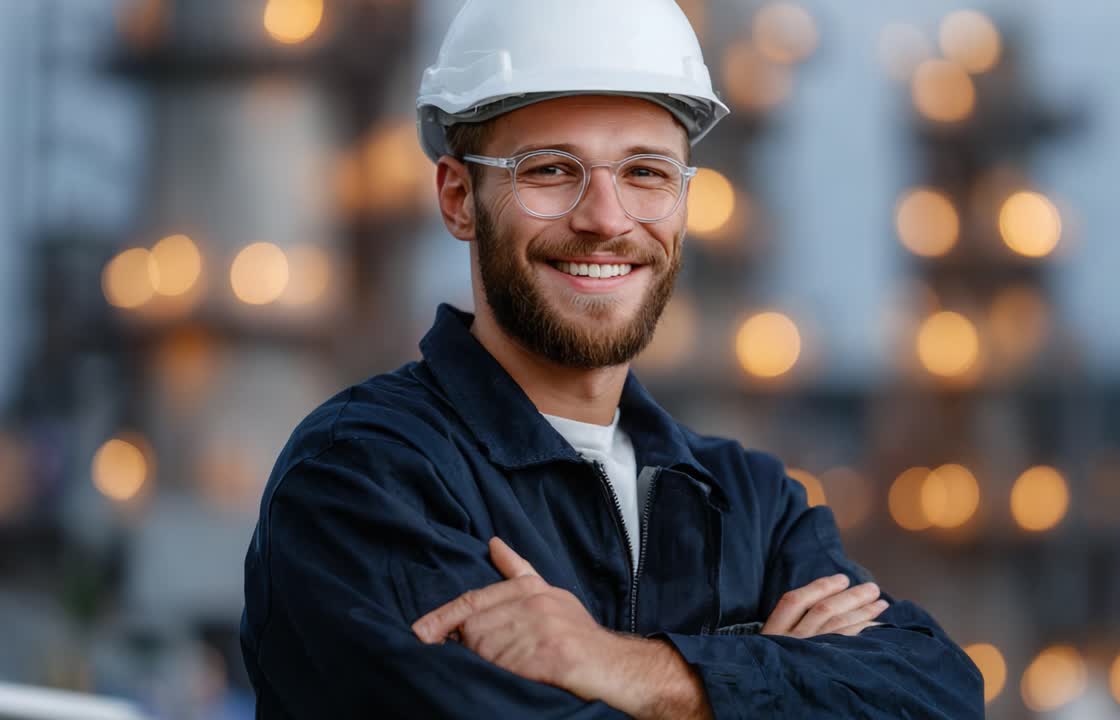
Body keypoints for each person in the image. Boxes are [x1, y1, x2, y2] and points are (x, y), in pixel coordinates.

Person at [239, 1, 982, 717]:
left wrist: (627, 669)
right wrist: (770, 681)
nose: (605, 219)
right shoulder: (365, 478)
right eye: (551, 170)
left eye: (646, 173)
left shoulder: (746, 502)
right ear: (460, 197)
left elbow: (940, 693)